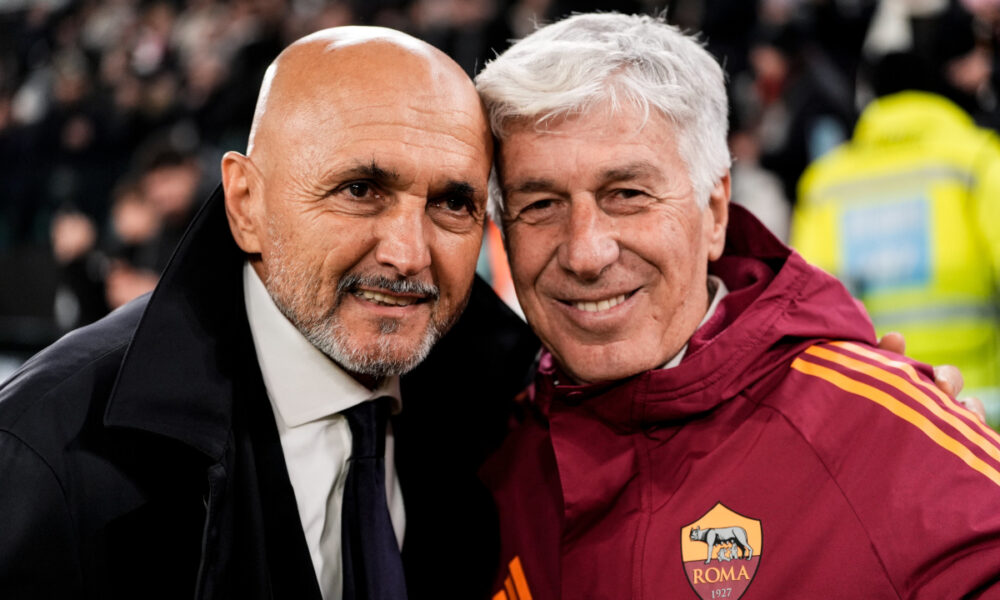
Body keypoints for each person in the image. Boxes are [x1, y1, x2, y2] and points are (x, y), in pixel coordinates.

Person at [474, 13, 1000, 600]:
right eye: (541, 204)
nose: (585, 252)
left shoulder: (882, 436)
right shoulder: (482, 453)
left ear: (717, 210)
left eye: (628, 194)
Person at [0, 27, 537, 599]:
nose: (409, 254)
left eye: (453, 204)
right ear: (245, 204)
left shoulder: (504, 417)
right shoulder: (45, 453)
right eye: (359, 190)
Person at [794, 51, 1000, 429]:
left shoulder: (825, 183)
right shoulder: (977, 162)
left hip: (882, 412)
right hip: (984, 411)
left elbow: (811, 307)